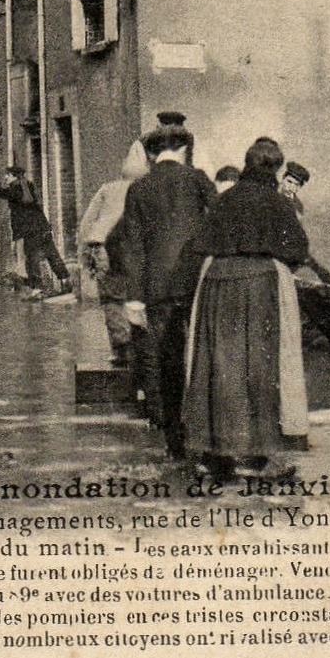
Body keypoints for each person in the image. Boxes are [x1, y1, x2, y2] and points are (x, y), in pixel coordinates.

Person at [179, 137, 311, 480]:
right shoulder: (279, 204)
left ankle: (213, 451)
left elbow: (199, 243)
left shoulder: (226, 199)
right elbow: (297, 251)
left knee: (217, 366)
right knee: (260, 365)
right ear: (276, 168)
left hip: (217, 285)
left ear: (247, 163)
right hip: (259, 286)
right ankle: (256, 453)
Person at [112, 121, 211, 458]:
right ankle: (204, 432)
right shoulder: (198, 180)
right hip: (198, 281)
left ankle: (174, 440)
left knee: (167, 360)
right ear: (182, 150)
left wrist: (134, 299)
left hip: (156, 290)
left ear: (152, 154)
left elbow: (132, 247)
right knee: (202, 356)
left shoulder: (138, 189)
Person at [78, 140, 149, 367]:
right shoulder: (148, 191)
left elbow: (87, 223)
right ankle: (142, 349)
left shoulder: (107, 189)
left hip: (104, 248)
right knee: (138, 296)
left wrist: (85, 252)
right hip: (138, 250)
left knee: (111, 299)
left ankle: (121, 349)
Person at [0, 165, 72, 300]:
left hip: (31, 230)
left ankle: (37, 289)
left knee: (32, 259)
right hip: (43, 226)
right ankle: (65, 282)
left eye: (8, 175)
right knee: (52, 254)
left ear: (14, 176)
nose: (6, 177)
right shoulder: (27, 187)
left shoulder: (16, 189)